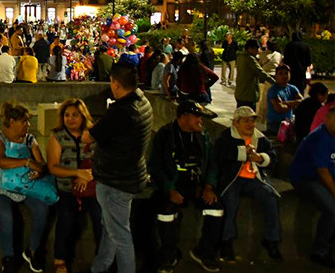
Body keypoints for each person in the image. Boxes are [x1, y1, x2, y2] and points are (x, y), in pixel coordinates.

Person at [80, 62, 152, 273]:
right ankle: (100, 266)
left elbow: (89, 137)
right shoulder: (143, 102)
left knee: (120, 234)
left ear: (117, 84)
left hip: (115, 181)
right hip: (131, 174)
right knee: (111, 227)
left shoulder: (121, 111)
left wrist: (89, 125)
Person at [148, 100, 222, 273]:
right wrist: (169, 189)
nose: (200, 121)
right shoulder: (165, 135)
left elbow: (212, 163)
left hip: (196, 186)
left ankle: (204, 252)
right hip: (173, 185)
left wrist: (208, 186)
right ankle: (168, 256)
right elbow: (155, 166)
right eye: (197, 116)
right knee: (166, 213)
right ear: (183, 117)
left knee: (216, 209)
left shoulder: (203, 136)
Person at [0, 101, 49, 273]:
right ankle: (8, 257)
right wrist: (27, 162)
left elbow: (41, 164)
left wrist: (38, 172)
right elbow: (1, 161)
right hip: (0, 185)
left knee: (42, 209)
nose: (28, 125)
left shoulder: (30, 140)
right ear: (12, 122)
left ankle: (33, 250)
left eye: (28, 121)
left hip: (24, 185)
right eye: (24, 121)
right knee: (6, 217)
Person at [215, 106, 282, 262]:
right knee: (230, 202)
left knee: (271, 198)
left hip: (254, 179)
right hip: (233, 179)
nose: (250, 125)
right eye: (246, 121)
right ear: (236, 123)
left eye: (252, 121)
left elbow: (273, 158)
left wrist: (261, 158)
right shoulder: (225, 137)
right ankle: (226, 241)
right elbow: (219, 157)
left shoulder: (260, 139)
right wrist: (242, 153)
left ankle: (271, 240)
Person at [47, 98, 101, 273]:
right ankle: (60, 259)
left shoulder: (93, 135)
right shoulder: (57, 136)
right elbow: (53, 167)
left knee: (100, 217)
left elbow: (102, 162)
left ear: (83, 116)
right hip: (67, 188)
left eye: (75, 115)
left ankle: (103, 259)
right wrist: (76, 173)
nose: (70, 119)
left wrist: (87, 177)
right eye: (67, 115)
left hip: (91, 188)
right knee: (66, 216)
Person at [289, 106, 335, 268]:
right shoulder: (319, 138)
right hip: (307, 179)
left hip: (325, 177)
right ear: (327, 119)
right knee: (332, 210)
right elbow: (322, 171)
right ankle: (320, 251)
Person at [234, 39, 274, 110]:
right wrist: (274, 82)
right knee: (249, 114)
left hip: (240, 92)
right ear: (250, 48)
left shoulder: (240, 57)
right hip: (248, 94)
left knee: (240, 113)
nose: (257, 51)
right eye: (256, 49)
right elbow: (261, 72)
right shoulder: (250, 59)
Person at [265, 64, 302, 136]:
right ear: (276, 76)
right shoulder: (273, 90)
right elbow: (279, 108)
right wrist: (294, 104)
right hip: (275, 125)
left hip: (288, 123)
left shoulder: (292, 88)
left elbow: (301, 102)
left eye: (286, 73)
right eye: (281, 74)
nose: (284, 76)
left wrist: (285, 103)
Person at [257, 40, 282, 124]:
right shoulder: (279, 55)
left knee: (262, 100)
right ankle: (267, 119)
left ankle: (261, 118)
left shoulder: (263, 54)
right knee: (270, 99)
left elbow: (259, 64)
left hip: (264, 77)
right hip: (274, 78)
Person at [283, 29, 312, 94]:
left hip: (291, 72)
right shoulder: (305, 46)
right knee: (300, 90)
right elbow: (308, 61)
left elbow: (286, 60)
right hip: (301, 72)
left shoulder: (289, 46)